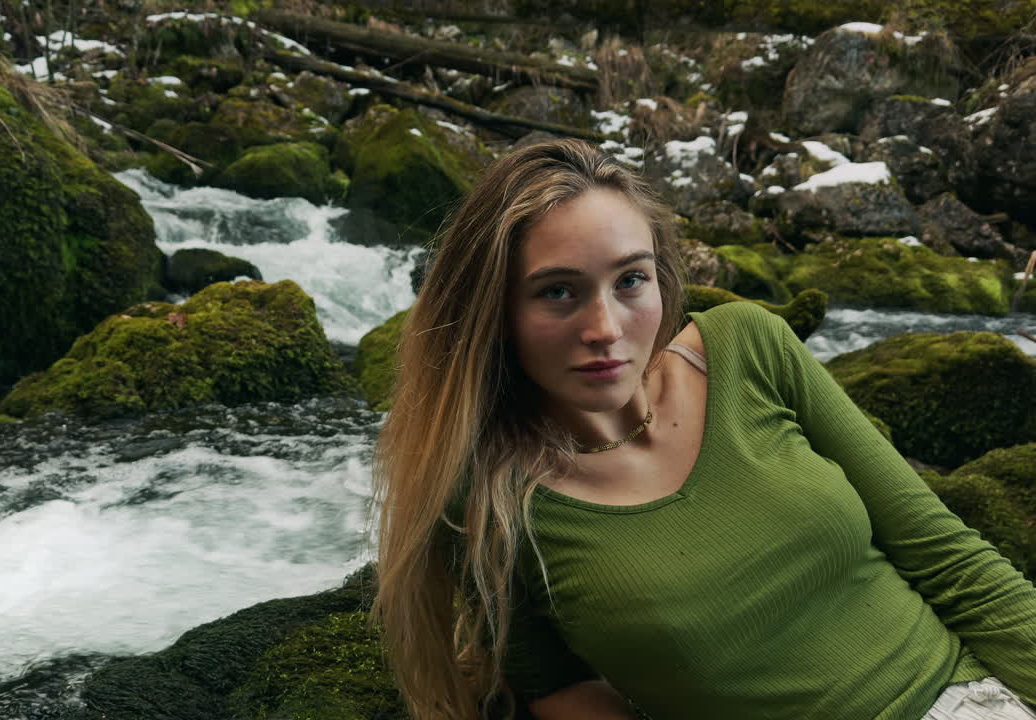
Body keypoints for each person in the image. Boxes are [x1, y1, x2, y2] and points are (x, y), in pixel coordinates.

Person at [370, 138, 1036, 720]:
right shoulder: (487, 489)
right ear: (495, 310)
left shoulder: (749, 347)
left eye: (630, 280)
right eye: (558, 292)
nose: (605, 329)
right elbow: (549, 679)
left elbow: (947, 556)